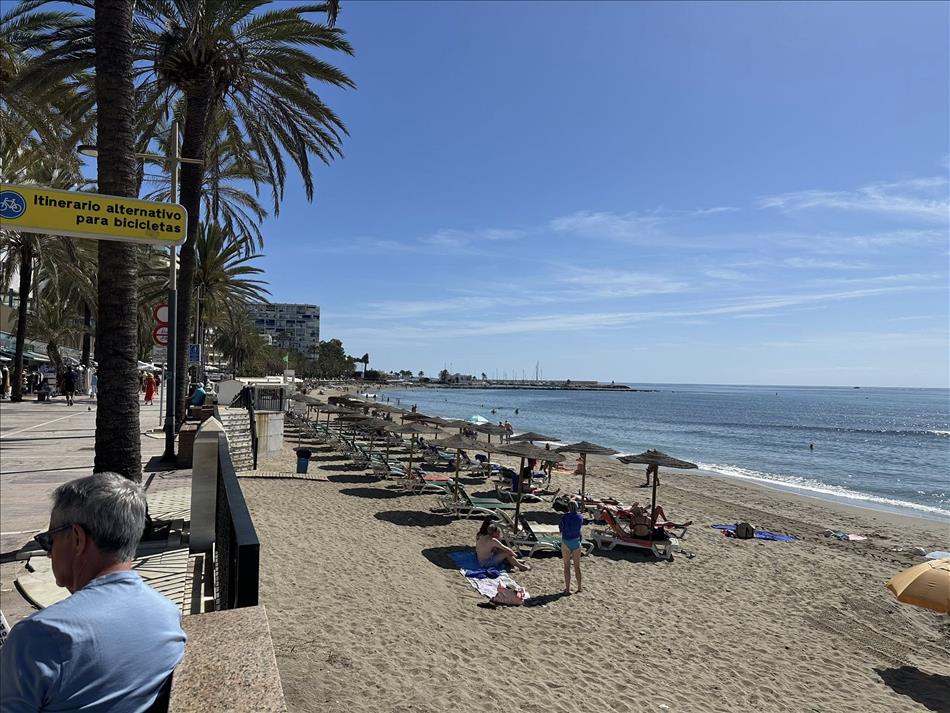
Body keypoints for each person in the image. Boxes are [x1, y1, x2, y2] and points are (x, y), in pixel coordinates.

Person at [0, 473, 186, 711]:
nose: (48, 553)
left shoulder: (40, 635)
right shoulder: (167, 613)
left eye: (49, 540)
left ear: (77, 539)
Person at [559, 501, 584, 594]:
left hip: (566, 541)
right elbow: (579, 528)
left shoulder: (565, 517)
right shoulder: (580, 516)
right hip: (576, 542)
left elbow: (561, 529)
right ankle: (579, 587)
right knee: (577, 567)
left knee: (567, 567)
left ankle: (568, 589)